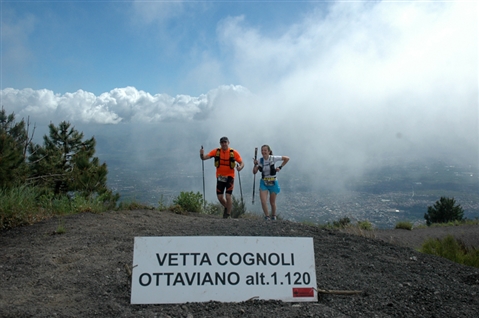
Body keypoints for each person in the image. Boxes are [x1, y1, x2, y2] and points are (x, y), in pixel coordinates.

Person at [200, 137, 244, 218]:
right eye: (222, 142)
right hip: (220, 177)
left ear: (228, 143)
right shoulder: (216, 151)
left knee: (228, 196)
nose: (224, 144)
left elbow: (241, 163)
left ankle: (228, 214)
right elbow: (204, 158)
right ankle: (228, 207)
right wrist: (201, 154)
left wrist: (240, 167)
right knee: (220, 197)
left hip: (230, 177)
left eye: (225, 142)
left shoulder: (233, 152)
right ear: (220, 143)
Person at [253, 145, 289, 220]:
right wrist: (255, 165)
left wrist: (280, 167)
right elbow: (254, 172)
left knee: (272, 202)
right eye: (262, 150)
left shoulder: (273, 158)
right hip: (264, 182)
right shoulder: (260, 160)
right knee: (263, 201)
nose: (263, 152)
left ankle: (274, 216)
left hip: (273, 181)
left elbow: (287, 158)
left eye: (265, 150)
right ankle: (267, 216)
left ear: (269, 151)